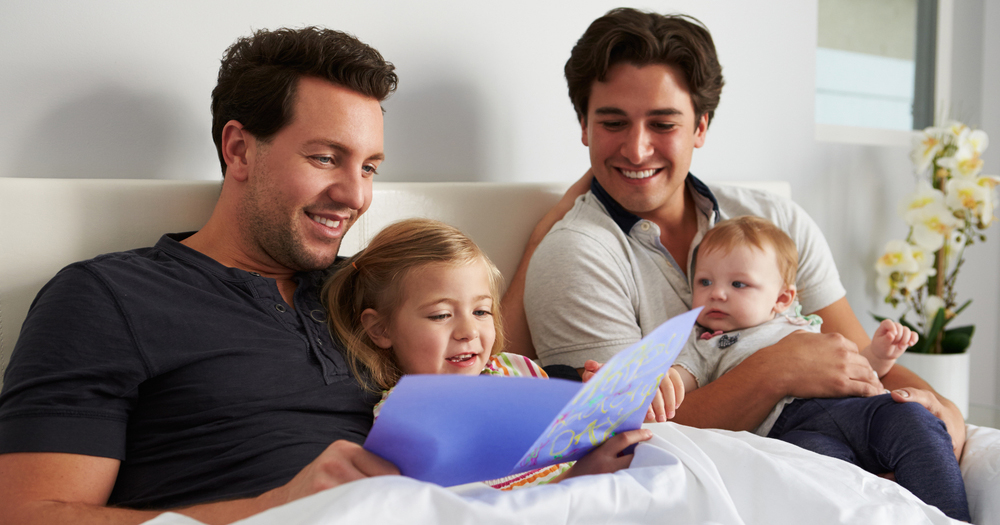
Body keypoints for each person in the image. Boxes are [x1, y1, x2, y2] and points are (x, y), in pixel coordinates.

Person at [510, 7, 966, 461]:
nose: (637, 148)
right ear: (584, 128)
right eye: (613, 123)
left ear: (700, 127)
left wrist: (944, 410)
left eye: (663, 124)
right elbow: (625, 438)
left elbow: (858, 360)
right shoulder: (575, 253)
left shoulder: (775, 220)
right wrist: (775, 369)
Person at [0, 27, 402, 524]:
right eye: (325, 158)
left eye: (369, 168)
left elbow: (496, 363)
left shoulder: (379, 288)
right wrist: (268, 510)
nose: (355, 196)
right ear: (238, 150)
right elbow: (28, 515)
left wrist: (533, 233)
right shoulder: (109, 296)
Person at [323, 217, 682, 489]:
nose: (468, 332)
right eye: (441, 315)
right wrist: (575, 479)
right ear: (381, 329)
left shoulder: (520, 369)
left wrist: (605, 407)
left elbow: (567, 445)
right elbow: (465, 509)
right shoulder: (407, 415)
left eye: (481, 311)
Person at [670, 216, 969, 521]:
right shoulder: (702, 344)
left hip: (853, 408)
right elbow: (677, 385)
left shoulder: (800, 324)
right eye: (704, 282)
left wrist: (880, 354)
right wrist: (663, 380)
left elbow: (856, 369)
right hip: (790, 431)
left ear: (782, 298)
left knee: (911, 418)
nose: (717, 294)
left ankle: (950, 517)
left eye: (738, 284)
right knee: (813, 478)